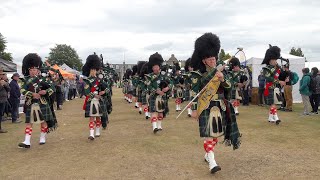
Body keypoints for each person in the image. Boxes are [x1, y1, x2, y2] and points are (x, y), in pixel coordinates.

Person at [190, 33, 241, 174]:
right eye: (209, 58)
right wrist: (194, 109)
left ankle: (207, 154)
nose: (212, 59)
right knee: (208, 134)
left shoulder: (221, 71)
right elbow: (195, 91)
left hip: (220, 106)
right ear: (204, 60)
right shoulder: (197, 74)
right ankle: (212, 162)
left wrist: (223, 79)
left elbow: (229, 87)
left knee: (216, 134)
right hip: (206, 106)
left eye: (214, 57)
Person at [18, 53, 57, 148]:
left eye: (34, 69)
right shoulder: (25, 80)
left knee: (43, 121)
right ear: (28, 70)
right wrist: (32, 94)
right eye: (31, 70)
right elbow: (22, 90)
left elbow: (53, 88)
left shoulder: (43, 79)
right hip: (30, 103)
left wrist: (45, 91)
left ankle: (42, 138)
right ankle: (27, 141)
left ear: (38, 70)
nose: (32, 72)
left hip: (42, 102)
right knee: (29, 122)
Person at [82, 54, 107, 140]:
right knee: (92, 117)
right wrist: (95, 95)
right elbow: (87, 92)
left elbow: (107, 89)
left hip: (99, 100)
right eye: (92, 70)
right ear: (89, 70)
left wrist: (103, 92)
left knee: (98, 117)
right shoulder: (86, 81)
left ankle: (97, 131)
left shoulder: (100, 80)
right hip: (91, 100)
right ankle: (91, 134)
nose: (93, 71)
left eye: (94, 70)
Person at [147, 52, 171, 133]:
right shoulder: (149, 76)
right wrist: (156, 90)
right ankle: (154, 127)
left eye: (157, 67)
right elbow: (148, 86)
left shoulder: (164, 76)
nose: (155, 68)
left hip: (162, 97)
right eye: (154, 67)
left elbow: (171, 83)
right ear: (152, 68)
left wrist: (167, 88)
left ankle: (159, 125)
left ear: (159, 67)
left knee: (160, 113)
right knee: (153, 112)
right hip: (153, 96)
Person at [261, 45, 282, 125]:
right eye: (274, 59)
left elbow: (278, 74)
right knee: (272, 104)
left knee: (273, 103)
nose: (275, 61)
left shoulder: (277, 68)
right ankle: (276, 118)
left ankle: (270, 117)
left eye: (275, 59)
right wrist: (278, 81)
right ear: (270, 60)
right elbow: (268, 78)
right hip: (268, 87)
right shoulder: (266, 69)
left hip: (274, 88)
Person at [0, 69, 10, 133]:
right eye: (1, 74)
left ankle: (0, 128)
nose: (1, 75)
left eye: (2, 74)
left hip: (3, 100)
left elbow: (9, 89)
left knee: (1, 114)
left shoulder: (3, 81)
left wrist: (5, 84)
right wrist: (1, 85)